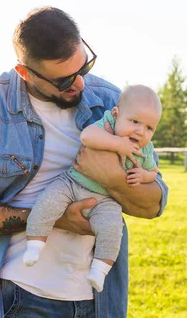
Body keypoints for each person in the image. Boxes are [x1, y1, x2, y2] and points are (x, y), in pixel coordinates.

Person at [0, 6, 169, 318]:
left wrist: (110, 178)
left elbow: (153, 206)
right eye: (64, 80)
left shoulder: (113, 102)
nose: (80, 85)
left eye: (84, 69)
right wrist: (53, 217)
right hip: (18, 295)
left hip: (98, 299)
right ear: (25, 73)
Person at [23, 84, 162, 293]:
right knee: (49, 201)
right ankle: (35, 243)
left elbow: (153, 170)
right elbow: (87, 137)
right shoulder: (107, 124)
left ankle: (99, 269)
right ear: (116, 114)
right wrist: (117, 144)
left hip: (105, 200)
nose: (140, 131)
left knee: (112, 229)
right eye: (134, 122)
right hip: (74, 182)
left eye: (149, 128)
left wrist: (144, 175)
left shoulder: (146, 149)